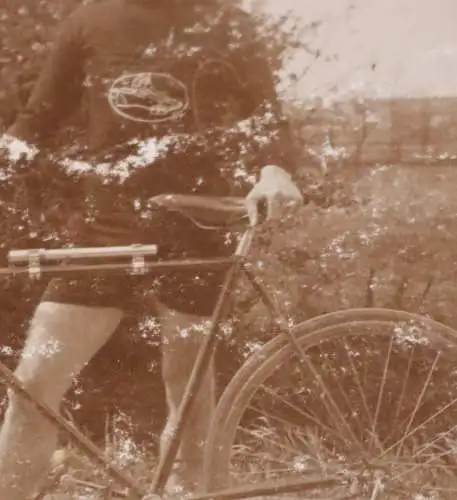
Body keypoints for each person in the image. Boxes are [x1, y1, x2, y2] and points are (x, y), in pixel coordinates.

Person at [0, 0, 303, 497]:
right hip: (109, 224)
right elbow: (39, 117)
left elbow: (269, 116)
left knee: (186, 391)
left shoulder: (225, 20)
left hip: (196, 220)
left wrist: (274, 169)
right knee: (34, 386)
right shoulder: (89, 20)